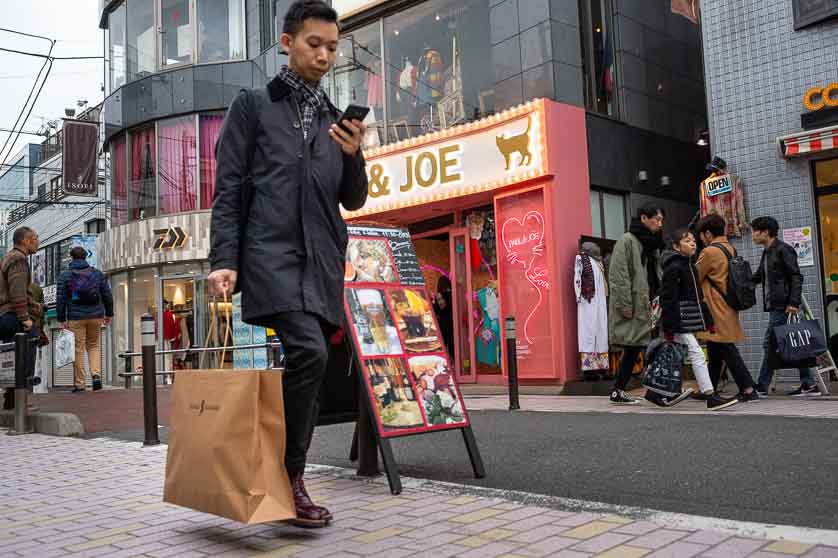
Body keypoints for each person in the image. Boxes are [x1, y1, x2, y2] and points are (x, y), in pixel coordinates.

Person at [208, 0, 368, 528]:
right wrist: (223, 260)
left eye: (331, 47)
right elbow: (229, 187)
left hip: (321, 258)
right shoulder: (253, 106)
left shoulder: (332, 119)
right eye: (313, 44)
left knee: (310, 361)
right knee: (308, 352)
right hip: (270, 255)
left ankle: (264, 458)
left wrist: (354, 155)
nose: (324, 56)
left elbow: (355, 200)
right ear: (287, 42)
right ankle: (290, 476)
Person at [658, 228, 738, 410]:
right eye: (687, 241)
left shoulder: (690, 266)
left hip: (684, 320)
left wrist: (708, 322)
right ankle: (710, 395)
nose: (693, 243)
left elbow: (698, 297)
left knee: (673, 357)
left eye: (693, 240)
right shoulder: (674, 267)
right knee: (696, 353)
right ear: (676, 246)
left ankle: (656, 393)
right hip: (677, 321)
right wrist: (670, 327)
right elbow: (668, 298)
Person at [751, 216, 820, 396]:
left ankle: (762, 386)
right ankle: (808, 384)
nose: (753, 235)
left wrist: (793, 303)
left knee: (771, 344)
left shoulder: (784, 250)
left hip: (783, 306)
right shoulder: (767, 252)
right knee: (794, 342)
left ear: (765, 232)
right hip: (776, 305)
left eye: (754, 231)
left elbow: (796, 276)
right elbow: (759, 276)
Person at [695, 214, 760, 402]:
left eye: (701, 235)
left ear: (707, 233)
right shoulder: (730, 248)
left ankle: (748, 389)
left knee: (726, 347)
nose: (700, 238)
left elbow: (696, 277)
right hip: (728, 305)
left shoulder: (709, 252)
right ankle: (709, 388)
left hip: (716, 306)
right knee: (716, 349)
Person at [608, 203, 666, 404]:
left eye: (661, 220)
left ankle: (624, 390)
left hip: (652, 302)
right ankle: (622, 389)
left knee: (645, 346)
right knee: (635, 347)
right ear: (643, 218)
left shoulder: (652, 244)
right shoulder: (627, 241)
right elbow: (618, 275)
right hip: (635, 302)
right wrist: (625, 304)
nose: (660, 224)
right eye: (656, 219)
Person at [57, 246, 114, 393]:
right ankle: (96, 376)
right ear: (86, 256)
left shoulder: (66, 275)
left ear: (71, 257)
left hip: (76, 317)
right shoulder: (96, 274)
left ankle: (80, 383)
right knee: (94, 346)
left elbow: (61, 298)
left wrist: (61, 318)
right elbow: (107, 295)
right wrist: (109, 314)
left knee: (78, 349)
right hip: (96, 315)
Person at [0, 227, 40, 410]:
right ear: (25, 240)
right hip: (13, 315)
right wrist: (25, 318)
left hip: (6, 315)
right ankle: (19, 401)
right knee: (25, 354)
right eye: (35, 238)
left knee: (11, 359)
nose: (37, 241)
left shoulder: (9, 257)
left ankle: (11, 401)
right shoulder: (18, 259)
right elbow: (17, 290)